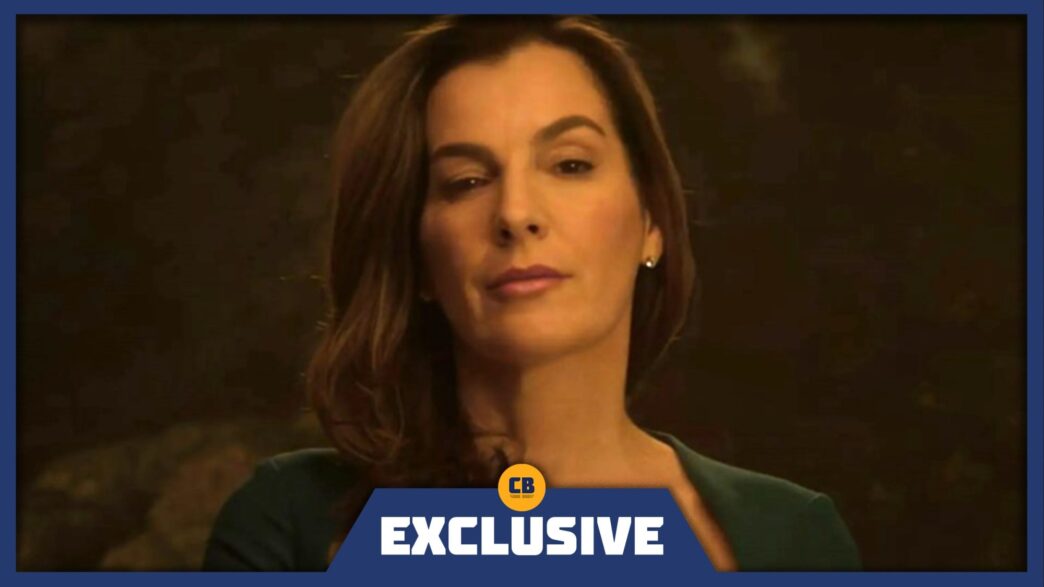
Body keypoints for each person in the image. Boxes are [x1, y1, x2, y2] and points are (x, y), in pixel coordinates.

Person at [202, 15, 861, 572]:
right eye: (465, 181)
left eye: (570, 164)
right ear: (418, 258)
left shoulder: (789, 539)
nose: (516, 212)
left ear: (651, 221)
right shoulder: (290, 522)